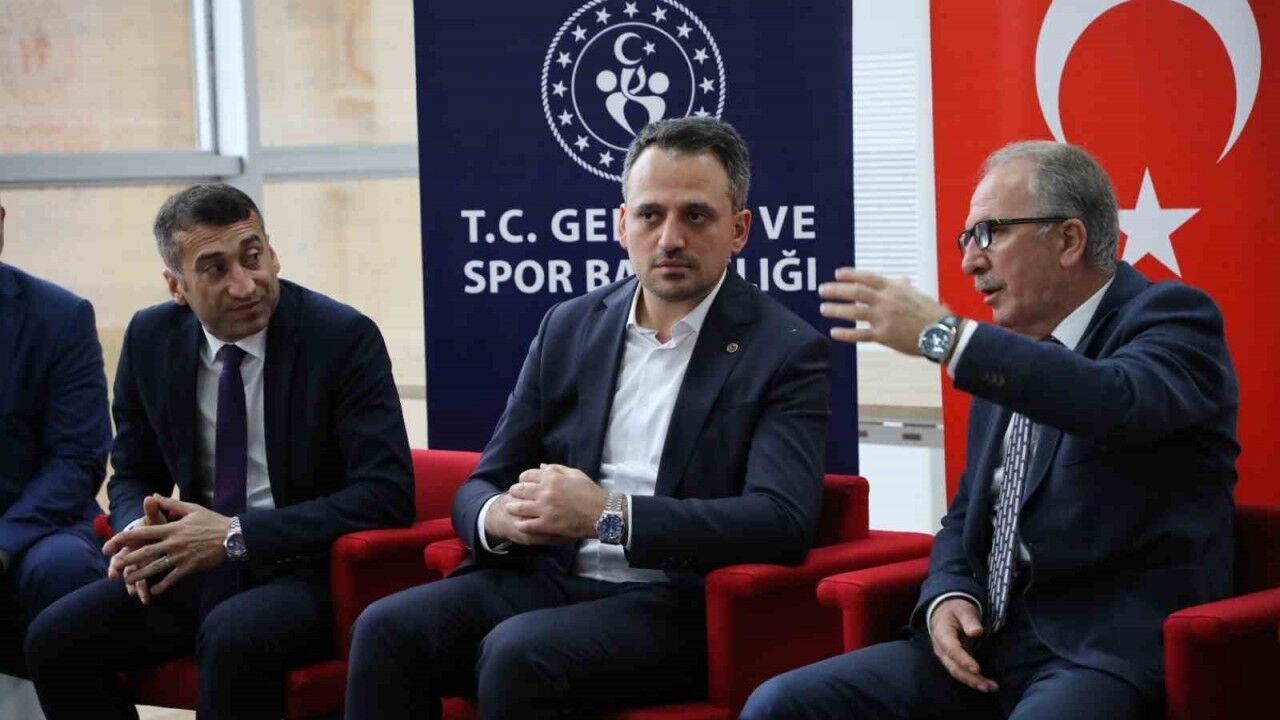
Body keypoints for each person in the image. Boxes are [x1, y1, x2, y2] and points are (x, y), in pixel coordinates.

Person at [343, 117, 832, 719]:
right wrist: (501, 517)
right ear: (622, 225)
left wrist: (609, 516)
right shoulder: (570, 325)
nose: (670, 238)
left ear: (739, 230)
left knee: (519, 654)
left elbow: (781, 520)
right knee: (385, 629)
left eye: (696, 216)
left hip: (672, 602)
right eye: (650, 215)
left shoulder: (784, 350)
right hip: (545, 576)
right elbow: (482, 482)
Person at [742, 140, 1238, 719]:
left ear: (1069, 240)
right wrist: (947, 595)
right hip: (986, 648)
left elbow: (1114, 401)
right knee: (780, 704)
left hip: (1096, 653)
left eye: (989, 233)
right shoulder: (1004, 359)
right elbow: (965, 520)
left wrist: (947, 338)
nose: (970, 263)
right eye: (966, 240)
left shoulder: (1172, 319)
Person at [24, 184, 416, 719]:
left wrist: (236, 535)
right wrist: (139, 531)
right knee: (55, 637)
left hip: (306, 566)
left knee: (233, 636)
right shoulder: (150, 338)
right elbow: (133, 471)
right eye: (215, 269)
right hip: (194, 561)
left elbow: (386, 495)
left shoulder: (341, 337)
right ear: (177, 286)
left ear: (272, 253)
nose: (244, 284)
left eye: (253, 257)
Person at [0, 194, 112, 677]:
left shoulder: (60, 316)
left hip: (32, 525)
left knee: (65, 567)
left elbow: (78, 457)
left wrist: (3, 542)